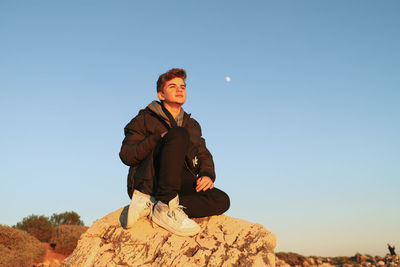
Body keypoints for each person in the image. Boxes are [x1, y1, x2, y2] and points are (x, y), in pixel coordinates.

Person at [119, 68, 230, 236]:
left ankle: (157, 206)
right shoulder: (143, 119)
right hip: (150, 181)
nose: (179, 89)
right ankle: (163, 206)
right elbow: (127, 155)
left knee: (221, 200)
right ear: (160, 95)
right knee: (178, 134)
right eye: (172, 86)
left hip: (180, 182)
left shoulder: (192, 124)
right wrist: (158, 138)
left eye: (182, 87)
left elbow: (203, 153)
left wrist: (207, 174)